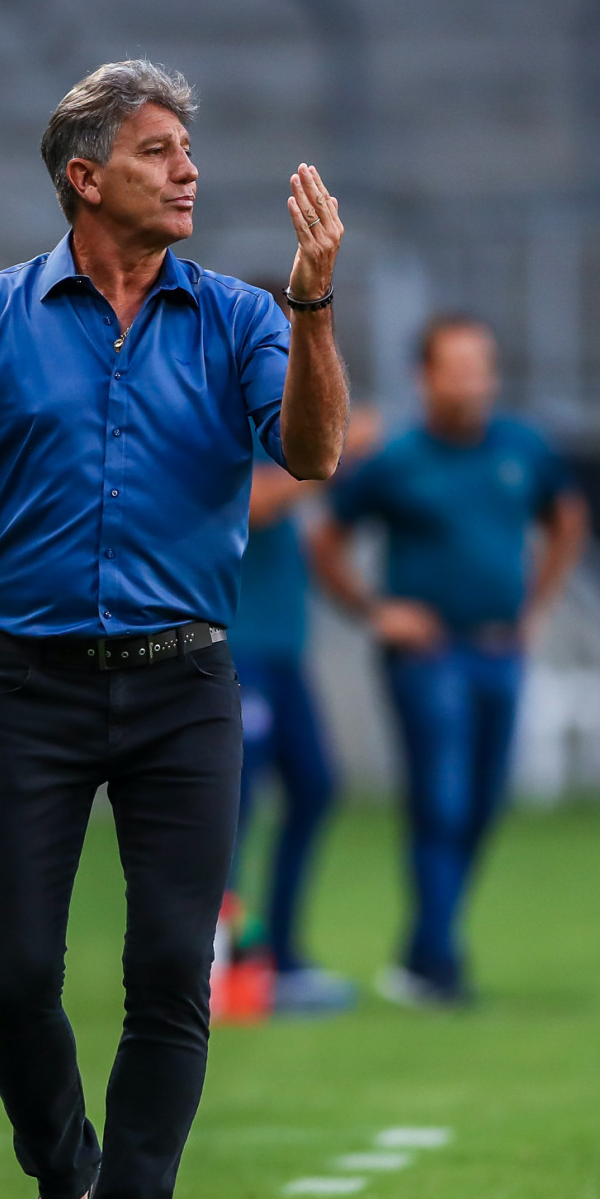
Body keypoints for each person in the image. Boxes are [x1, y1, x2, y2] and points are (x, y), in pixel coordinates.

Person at [0, 62, 348, 1199]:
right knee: (13, 980)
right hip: (25, 685)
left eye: (186, 149)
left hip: (184, 685)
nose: (187, 168)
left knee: (167, 973)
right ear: (85, 179)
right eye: (155, 151)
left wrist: (312, 310)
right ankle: (66, 1180)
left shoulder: (244, 315)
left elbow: (309, 452)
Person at [310, 316, 587, 1007]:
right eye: (456, 366)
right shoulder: (397, 459)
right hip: (427, 657)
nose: (472, 380)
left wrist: (538, 605)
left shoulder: (523, 448)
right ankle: (438, 963)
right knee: (442, 797)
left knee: (483, 804)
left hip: (500, 650)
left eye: (481, 365)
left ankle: (421, 948)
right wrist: (377, 612)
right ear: (424, 377)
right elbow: (326, 539)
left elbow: (567, 516)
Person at [225, 408, 382, 1016]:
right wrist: (332, 452)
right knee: (232, 813)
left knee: (315, 787)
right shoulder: (219, 420)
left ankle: (281, 956)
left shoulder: (273, 423)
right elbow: (255, 505)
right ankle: (224, 968)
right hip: (233, 649)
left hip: (282, 652)